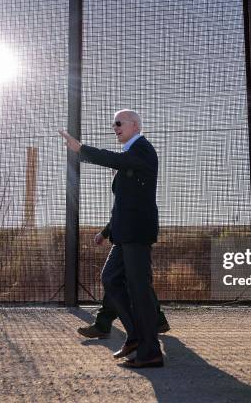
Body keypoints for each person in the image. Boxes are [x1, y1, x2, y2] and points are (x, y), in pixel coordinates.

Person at [59, 109, 163, 368]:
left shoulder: (142, 148)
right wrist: (106, 232)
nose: (114, 127)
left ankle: (150, 352)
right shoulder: (131, 154)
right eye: (113, 124)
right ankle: (136, 336)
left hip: (137, 234)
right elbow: (125, 202)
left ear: (135, 126)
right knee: (110, 279)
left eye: (119, 123)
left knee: (139, 291)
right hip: (124, 234)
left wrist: (81, 149)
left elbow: (115, 160)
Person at [77, 223, 170, 339]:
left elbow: (123, 211)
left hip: (131, 236)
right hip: (131, 236)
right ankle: (156, 322)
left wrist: (104, 233)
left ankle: (109, 326)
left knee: (116, 279)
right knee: (120, 280)